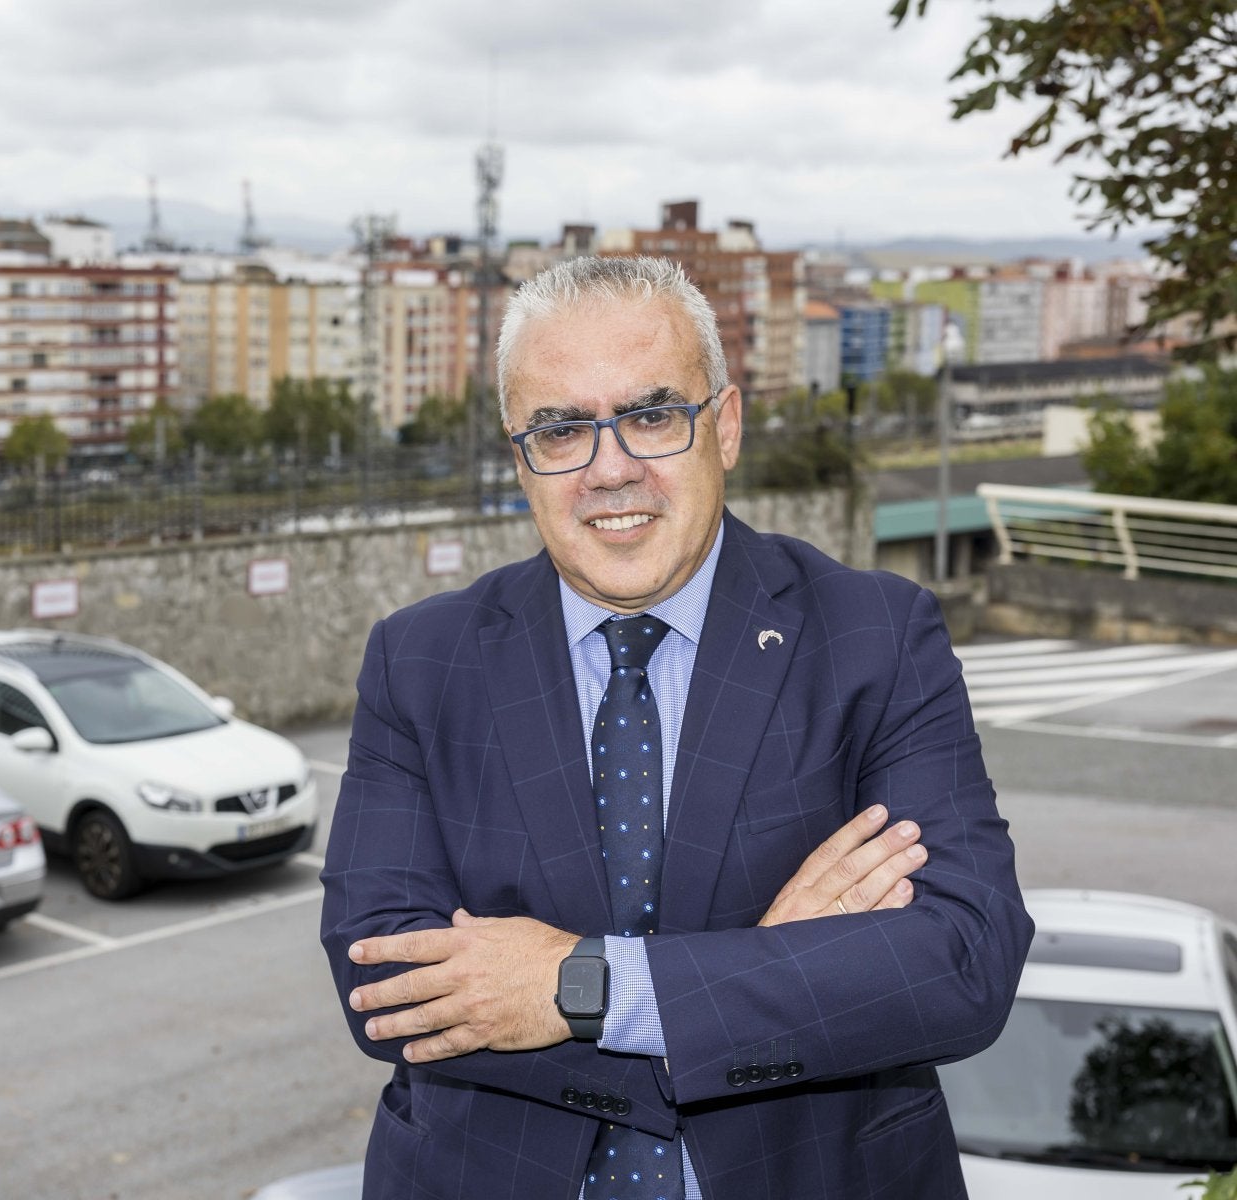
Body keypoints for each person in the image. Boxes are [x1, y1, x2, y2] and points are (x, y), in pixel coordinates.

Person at [320, 255, 1031, 1200]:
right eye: (562, 428)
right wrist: (774, 979)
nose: (610, 469)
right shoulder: (421, 661)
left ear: (725, 426)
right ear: (519, 458)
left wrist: (583, 989)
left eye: (653, 416)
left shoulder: (875, 636)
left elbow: (962, 962)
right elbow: (390, 992)